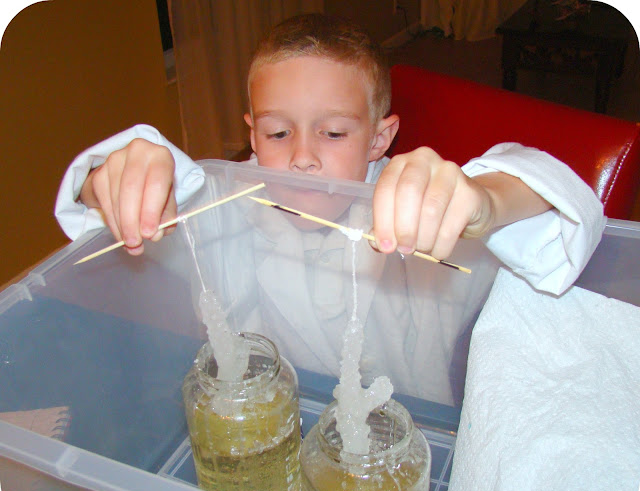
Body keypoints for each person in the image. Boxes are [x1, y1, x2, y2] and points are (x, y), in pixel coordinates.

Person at [55, 13, 604, 405]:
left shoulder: (411, 209)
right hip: (266, 429)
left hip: (403, 444)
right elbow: (122, 205)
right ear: (252, 134)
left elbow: (559, 204)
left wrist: (486, 201)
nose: (302, 157)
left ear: (379, 138)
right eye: (277, 132)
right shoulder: (226, 211)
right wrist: (115, 178)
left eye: (334, 133)